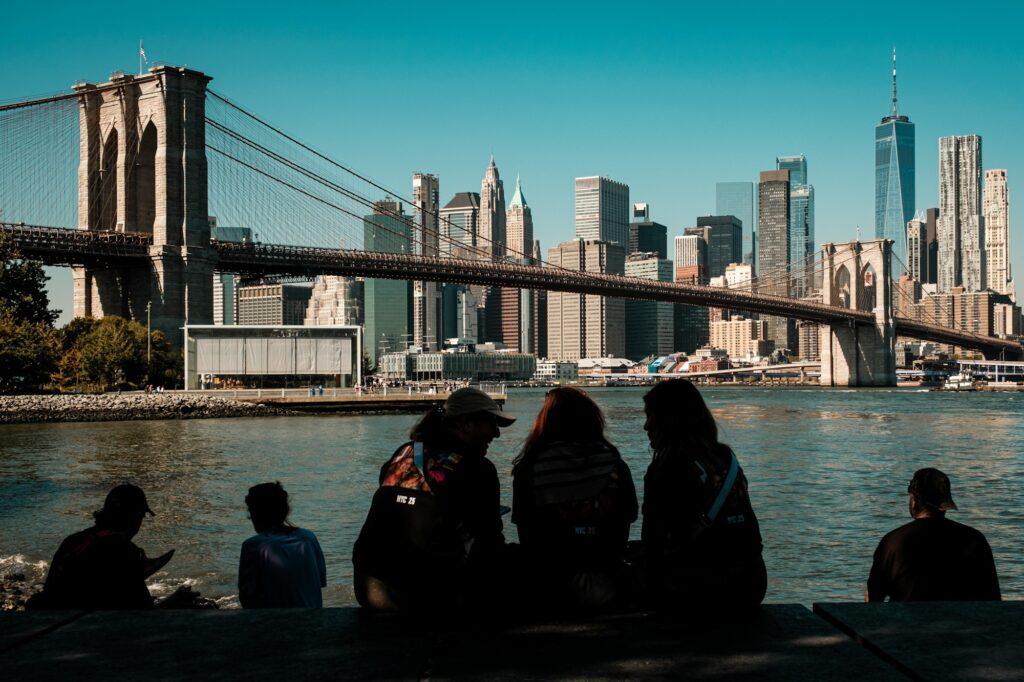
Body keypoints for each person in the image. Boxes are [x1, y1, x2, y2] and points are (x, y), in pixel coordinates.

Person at [352, 387, 514, 612]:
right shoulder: (478, 468)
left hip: (368, 587)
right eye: (491, 423)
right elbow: (490, 539)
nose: (496, 433)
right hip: (424, 593)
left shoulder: (405, 452)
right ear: (466, 424)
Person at [640, 379, 766, 607]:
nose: (646, 426)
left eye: (651, 416)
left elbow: (654, 542)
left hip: (698, 588)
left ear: (669, 421)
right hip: (751, 583)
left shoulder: (667, 468)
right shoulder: (727, 458)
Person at [512, 387, 637, 612]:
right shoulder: (615, 465)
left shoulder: (530, 468)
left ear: (546, 420)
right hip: (609, 578)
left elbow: (526, 531)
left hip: (548, 583)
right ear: (593, 420)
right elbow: (626, 520)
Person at [866, 468, 1000, 602]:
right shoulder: (975, 539)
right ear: (946, 503)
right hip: (960, 622)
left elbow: (873, 600)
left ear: (915, 500)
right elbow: (993, 598)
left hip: (907, 622)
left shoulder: (893, 541)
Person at [31, 484, 172, 610]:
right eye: (142, 516)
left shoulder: (72, 541)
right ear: (136, 516)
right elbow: (144, 609)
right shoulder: (125, 550)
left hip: (54, 614)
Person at [238, 482, 327, 608]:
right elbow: (320, 582)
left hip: (273, 623)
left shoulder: (253, 546)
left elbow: (247, 598)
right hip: (312, 619)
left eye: (250, 512)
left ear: (256, 514)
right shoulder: (308, 538)